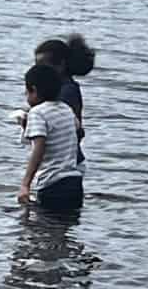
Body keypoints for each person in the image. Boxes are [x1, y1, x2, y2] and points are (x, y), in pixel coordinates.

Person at [18, 63, 84, 213]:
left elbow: (39, 149)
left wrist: (25, 184)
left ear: (33, 90)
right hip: (74, 182)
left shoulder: (37, 113)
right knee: (65, 225)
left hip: (52, 184)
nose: (25, 95)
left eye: (26, 91)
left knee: (38, 224)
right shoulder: (66, 109)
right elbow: (77, 127)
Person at [33, 33, 96, 148]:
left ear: (61, 65)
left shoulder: (67, 91)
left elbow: (65, 128)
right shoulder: (57, 88)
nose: (37, 70)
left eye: (43, 65)